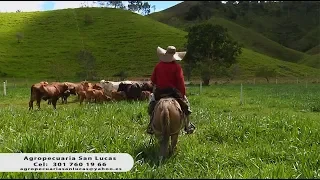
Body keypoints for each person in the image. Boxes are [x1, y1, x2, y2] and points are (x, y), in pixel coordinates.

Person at [147, 46, 196, 135]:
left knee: (151, 105)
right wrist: (183, 94)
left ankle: (151, 124)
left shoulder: (158, 66)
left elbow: (153, 81)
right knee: (186, 107)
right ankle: (187, 125)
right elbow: (181, 83)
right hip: (174, 92)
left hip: (160, 92)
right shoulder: (177, 67)